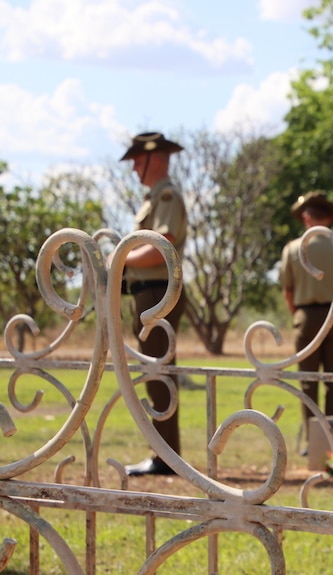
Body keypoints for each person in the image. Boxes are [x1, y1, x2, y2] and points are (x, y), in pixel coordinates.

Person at [120, 132, 188, 476]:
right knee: (154, 370)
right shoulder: (156, 196)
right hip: (147, 292)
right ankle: (164, 453)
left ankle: (166, 456)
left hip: (159, 291)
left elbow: (163, 243)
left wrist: (119, 261)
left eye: (137, 160)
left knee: (158, 371)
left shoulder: (166, 194)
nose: (133, 168)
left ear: (155, 158)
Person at [280, 191, 333, 452]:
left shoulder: (293, 248)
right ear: (329, 217)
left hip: (305, 315)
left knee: (308, 382)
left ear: (306, 218)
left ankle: (312, 441)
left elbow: (288, 289)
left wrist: (297, 313)